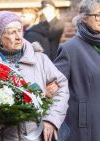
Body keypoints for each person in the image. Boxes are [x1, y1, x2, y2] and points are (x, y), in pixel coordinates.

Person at [0, 11, 69, 141]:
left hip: (37, 136)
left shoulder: (40, 60)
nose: (18, 37)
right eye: (11, 32)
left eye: (19, 30)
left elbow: (62, 88)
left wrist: (51, 120)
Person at [54, 0, 100, 140]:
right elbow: (55, 88)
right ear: (84, 18)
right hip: (85, 126)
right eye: (98, 15)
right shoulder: (70, 49)